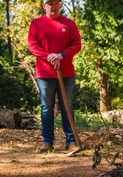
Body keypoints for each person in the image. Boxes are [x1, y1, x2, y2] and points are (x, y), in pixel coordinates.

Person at [28, 0, 82, 152]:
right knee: (47, 107)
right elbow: (33, 45)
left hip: (66, 73)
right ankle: (47, 142)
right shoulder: (36, 23)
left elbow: (77, 44)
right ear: (44, 6)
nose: (53, 6)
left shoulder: (69, 24)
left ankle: (71, 141)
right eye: (50, 3)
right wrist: (50, 57)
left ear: (60, 5)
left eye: (56, 2)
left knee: (67, 106)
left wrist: (62, 55)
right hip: (44, 73)